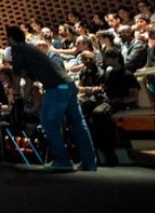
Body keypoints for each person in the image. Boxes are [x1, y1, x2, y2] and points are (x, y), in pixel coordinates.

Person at [5, 25, 97, 172]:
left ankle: (63, 160)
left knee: (48, 123)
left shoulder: (18, 49)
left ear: (10, 38)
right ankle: (89, 162)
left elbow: (16, 76)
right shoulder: (31, 49)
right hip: (68, 85)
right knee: (78, 124)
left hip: (56, 88)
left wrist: (16, 95)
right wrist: (25, 92)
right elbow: (30, 77)